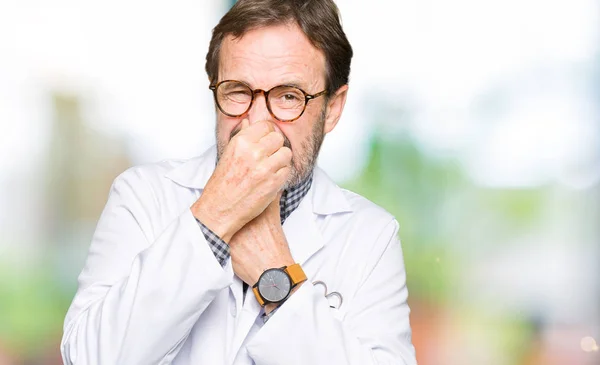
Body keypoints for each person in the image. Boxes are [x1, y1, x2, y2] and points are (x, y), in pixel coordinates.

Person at [60, 0, 416, 364]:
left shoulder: (371, 236)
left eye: (288, 96)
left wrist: (273, 275)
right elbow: (90, 357)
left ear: (333, 109)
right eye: (238, 91)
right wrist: (213, 219)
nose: (255, 122)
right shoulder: (143, 197)